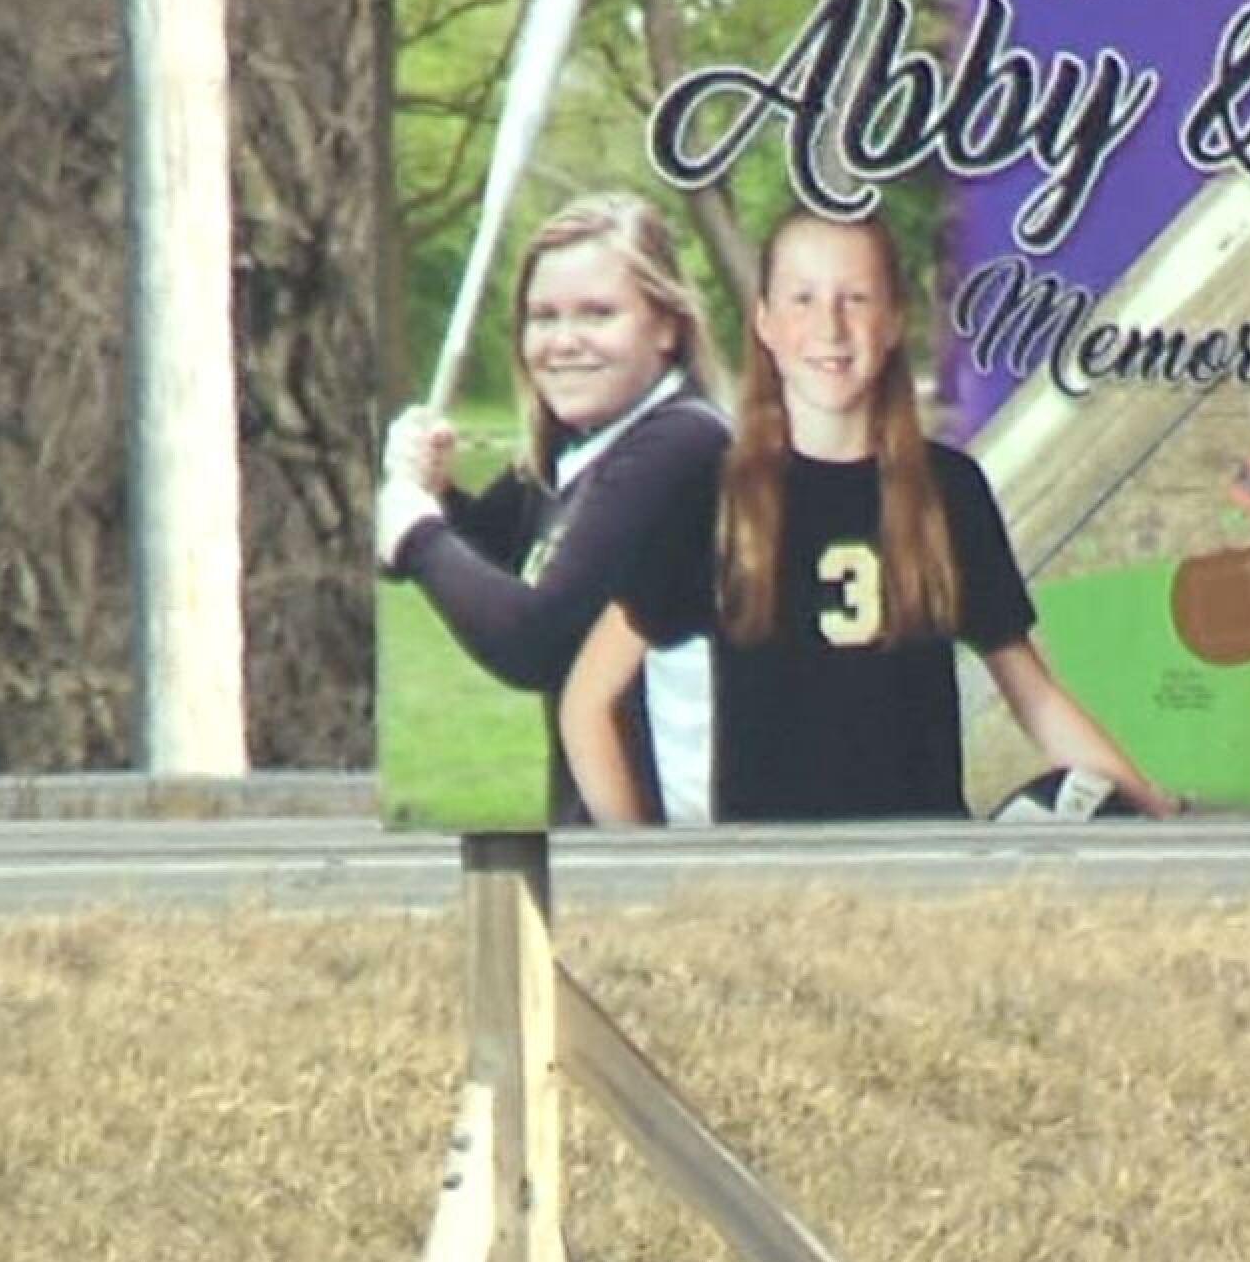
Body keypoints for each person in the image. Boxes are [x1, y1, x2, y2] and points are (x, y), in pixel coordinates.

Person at [559, 206, 1176, 824]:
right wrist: (643, 864)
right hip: (768, 886)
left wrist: (1149, 804)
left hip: (926, 874)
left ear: (892, 322)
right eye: (803, 299)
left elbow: (1035, 699)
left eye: (855, 298)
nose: (830, 326)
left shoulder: (948, 490)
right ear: (765, 323)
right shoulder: (708, 499)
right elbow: (587, 700)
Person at [377, 193, 729, 826]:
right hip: (612, 845)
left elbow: (536, 639)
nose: (563, 342)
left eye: (598, 313)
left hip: (686, 852)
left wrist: (416, 536)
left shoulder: (683, 445)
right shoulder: (578, 452)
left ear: (668, 326)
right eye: (543, 317)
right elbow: (497, 563)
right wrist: (435, 496)